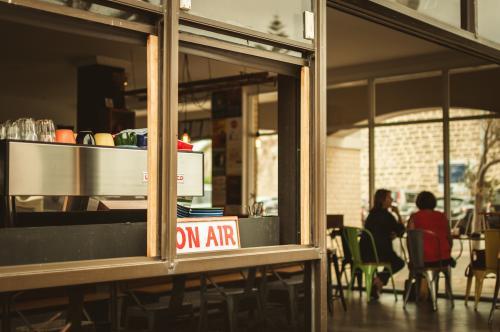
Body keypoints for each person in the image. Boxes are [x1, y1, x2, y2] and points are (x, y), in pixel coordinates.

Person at [360, 189, 406, 299]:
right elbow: (401, 231)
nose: (392, 200)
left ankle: (377, 282)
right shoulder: (387, 215)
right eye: (389, 198)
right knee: (399, 263)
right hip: (380, 253)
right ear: (383, 200)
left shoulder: (371, 215)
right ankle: (379, 279)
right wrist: (398, 213)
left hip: (364, 253)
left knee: (390, 261)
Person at [408, 191, 453, 267]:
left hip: (422, 260)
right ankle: (439, 277)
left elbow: (410, 240)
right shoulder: (442, 216)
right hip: (444, 259)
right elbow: (449, 238)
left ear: (418, 203)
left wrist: (411, 259)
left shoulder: (414, 217)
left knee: (416, 266)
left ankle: (421, 277)